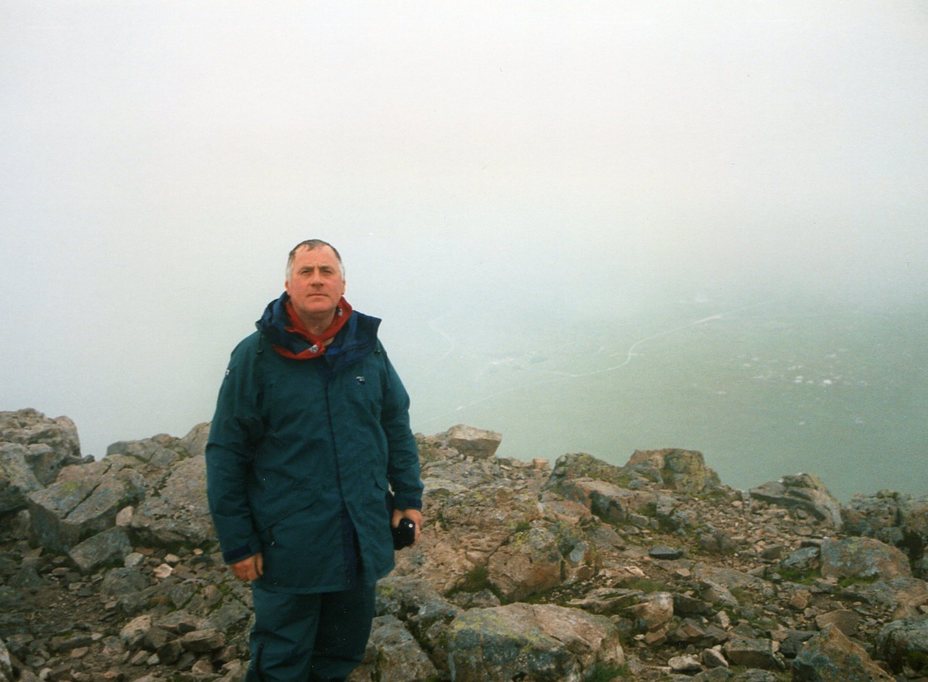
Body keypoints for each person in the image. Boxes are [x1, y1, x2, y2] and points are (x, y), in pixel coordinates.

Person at [205, 239, 424, 682]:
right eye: (306, 272)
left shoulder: (367, 347)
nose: (318, 279)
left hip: (359, 533)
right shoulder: (256, 356)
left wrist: (408, 496)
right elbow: (226, 451)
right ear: (288, 284)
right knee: (281, 660)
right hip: (288, 544)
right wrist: (238, 541)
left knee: (340, 655)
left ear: (342, 282)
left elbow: (393, 421)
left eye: (327, 270)